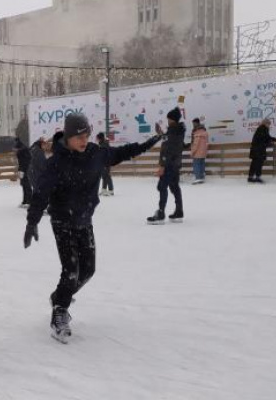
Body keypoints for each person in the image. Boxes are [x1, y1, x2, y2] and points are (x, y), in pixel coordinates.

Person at [24, 113, 162, 344]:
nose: (84, 139)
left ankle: (59, 297)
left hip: (84, 220)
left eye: (86, 134)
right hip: (62, 220)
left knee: (88, 270)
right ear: (68, 137)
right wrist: (31, 222)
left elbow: (125, 152)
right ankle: (60, 311)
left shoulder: (96, 154)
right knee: (71, 270)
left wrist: (153, 140)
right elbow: (40, 194)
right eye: (79, 136)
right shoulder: (55, 163)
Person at [147, 107, 186, 224]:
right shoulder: (177, 131)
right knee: (174, 187)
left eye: (168, 118)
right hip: (175, 164)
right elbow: (170, 141)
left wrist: (162, 165)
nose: (167, 120)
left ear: (172, 119)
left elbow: (168, 149)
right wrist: (160, 133)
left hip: (169, 164)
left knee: (162, 186)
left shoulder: (174, 131)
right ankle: (179, 211)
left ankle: (160, 213)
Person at [248, 118, 276, 184]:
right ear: (265, 123)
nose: (269, 125)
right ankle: (257, 177)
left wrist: (271, 141)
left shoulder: (260, 129)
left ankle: (250, 177)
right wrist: (275, 140)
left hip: (255, 149)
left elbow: (264, 138)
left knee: (254, 163)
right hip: (259, 150)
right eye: (268, 124)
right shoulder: (263, 128)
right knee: (259, 163)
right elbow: (266, 138)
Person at [190, 118, 209, 184]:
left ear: (197, 123)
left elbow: (196, 144)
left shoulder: (197, 133)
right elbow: (206, 143)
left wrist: (192, 152)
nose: (193, 125)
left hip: (197, 152)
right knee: (201, 164)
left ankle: (198, 178)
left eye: (194, 123)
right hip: (203, 152)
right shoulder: (204, 132)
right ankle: (201, 177)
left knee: (196, 164)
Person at [15, 138, 32, 207]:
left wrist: (21, 170)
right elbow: (20, 162)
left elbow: (25, 162)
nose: (15, 151)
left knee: (27, 185)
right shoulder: (21, 151)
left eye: (15, 149)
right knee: (23, 185)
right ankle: (25, 200)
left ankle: (29, 201)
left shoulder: (23, 152)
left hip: (25, 170)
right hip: (22, 170)